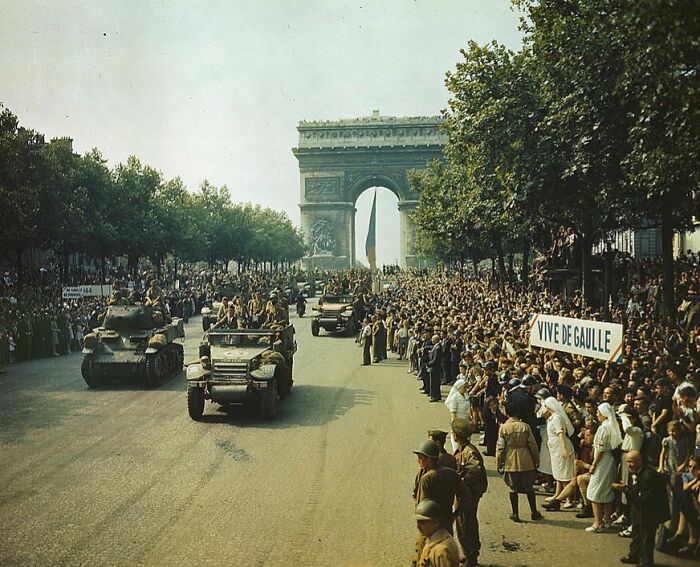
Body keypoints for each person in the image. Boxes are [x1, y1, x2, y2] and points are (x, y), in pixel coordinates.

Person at [617, 450, 670, 566]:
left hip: (650, 510)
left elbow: (644, 497)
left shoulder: (649, 475)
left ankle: (646, 562)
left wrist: (626, 490)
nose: (628, 465)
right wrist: (627, 488)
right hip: (638, 508)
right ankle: (634, 555)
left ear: (639, 461)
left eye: (631, 462)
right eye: (627, 462)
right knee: (636, 531)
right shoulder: (636, 472)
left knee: (646, 536)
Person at [496, 402, 543, 522]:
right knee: (529, 487)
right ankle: (533, 512)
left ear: (507, 413)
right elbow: (533, 446)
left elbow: (500, 448)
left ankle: (515, 513)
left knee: (513, 488)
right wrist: (536, 460)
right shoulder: (525, 427)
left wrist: (499, 463)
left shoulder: (503, 428)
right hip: (525, 459)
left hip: (511, 460)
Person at [452, 418, 487, 567]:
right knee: (465, 523)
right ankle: (469, 554)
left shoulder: (468, 451)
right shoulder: (463, 449)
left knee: (466, 525)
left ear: (456, 435)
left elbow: (475, 470)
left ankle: (471, 557)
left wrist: (462, 482)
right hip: (468, 493)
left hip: (469, 493)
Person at [586, 402, 623, 533]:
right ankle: (607, 519)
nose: (597, 414)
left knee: (594, 491)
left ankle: (598, 522)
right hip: (610, 460)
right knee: (607, 490)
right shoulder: (612, 426)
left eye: (598, 412)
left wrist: (593, 465)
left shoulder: (603, 428)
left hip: (602, 461)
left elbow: (600, 449)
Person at [542, 396, 576, 511]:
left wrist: (564, 448)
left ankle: (568, 499)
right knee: (558, 473)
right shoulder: (551, 418)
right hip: (554, 448)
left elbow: (560, 433)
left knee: (564, 473)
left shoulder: (557, 418)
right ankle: (557, 495)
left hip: (560, 446)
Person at [414, 499, 460, 567]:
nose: (418, 526)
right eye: (418, 521)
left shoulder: (440, 551)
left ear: (435, 523)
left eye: (423, 522)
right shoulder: (435, 538)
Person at [427, 334, 443, 402]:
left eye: (433, 339)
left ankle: (434, 396)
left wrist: (429, 364)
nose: (432, 340)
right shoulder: (436, 346)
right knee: (435, 382)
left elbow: (436, 359)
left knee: (434, 383)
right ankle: (437, 395)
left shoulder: (438, 348)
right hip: (434, 368)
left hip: (435, 368)